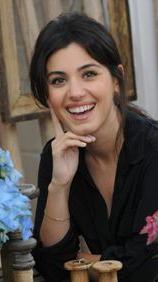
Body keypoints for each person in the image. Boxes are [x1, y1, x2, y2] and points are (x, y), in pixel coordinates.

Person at [30, 11, 158, 282]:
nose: (75, 92)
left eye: (88, 74)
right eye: (58, 80)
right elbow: (51, 266)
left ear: (115, 79)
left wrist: (81, 264)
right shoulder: (56, 156)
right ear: (47, 95)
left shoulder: (153, 149)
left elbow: (145, 267)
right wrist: (59, 186)